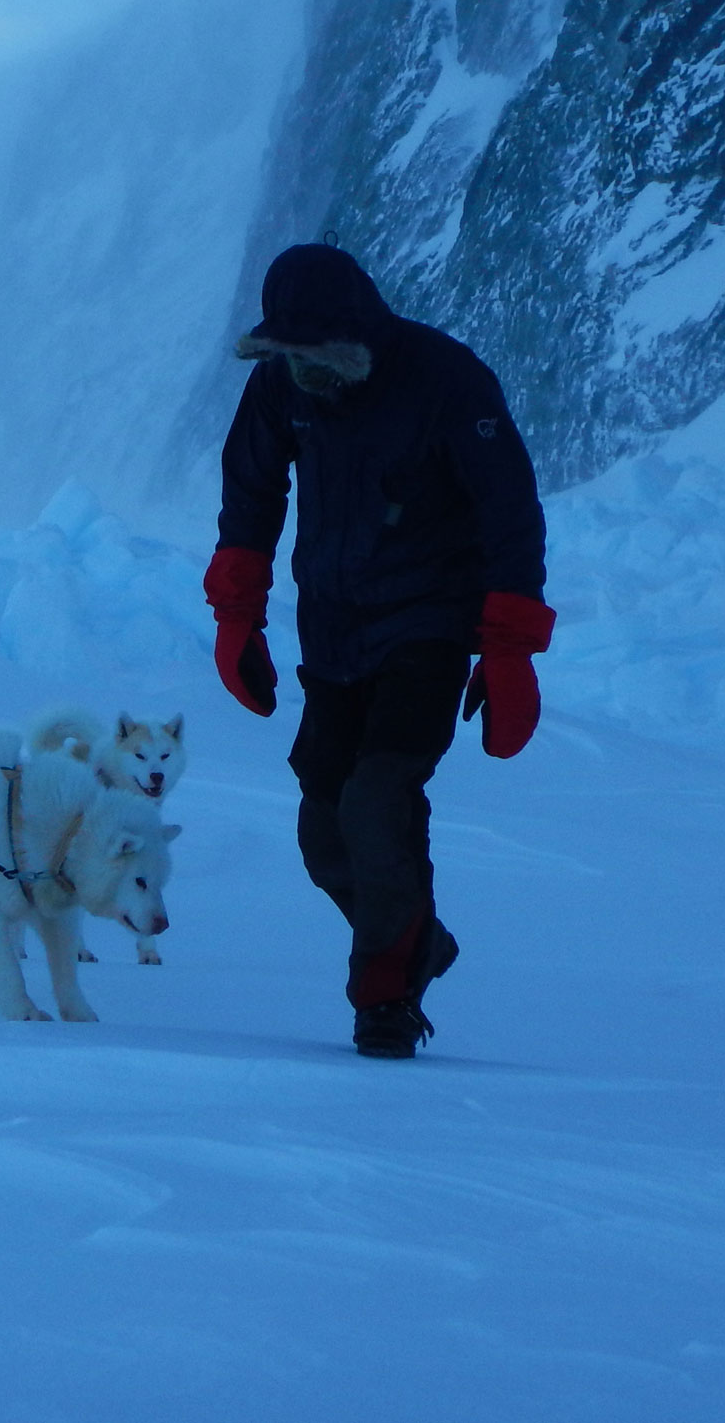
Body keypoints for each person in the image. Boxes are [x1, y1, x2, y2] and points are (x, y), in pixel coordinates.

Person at [203, 244, 553, 1058]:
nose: (304, 374)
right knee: (323, 832)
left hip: (428, 629)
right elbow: (251, 489)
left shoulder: (446, 383)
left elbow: (509, 512)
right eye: (287, 356)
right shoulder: (281, 381)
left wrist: (507, 651)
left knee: (378, 801)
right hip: (332, 631)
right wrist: (237, 617)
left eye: (316, 357)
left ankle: (385, 999)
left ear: (354, 335)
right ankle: (415, 940)